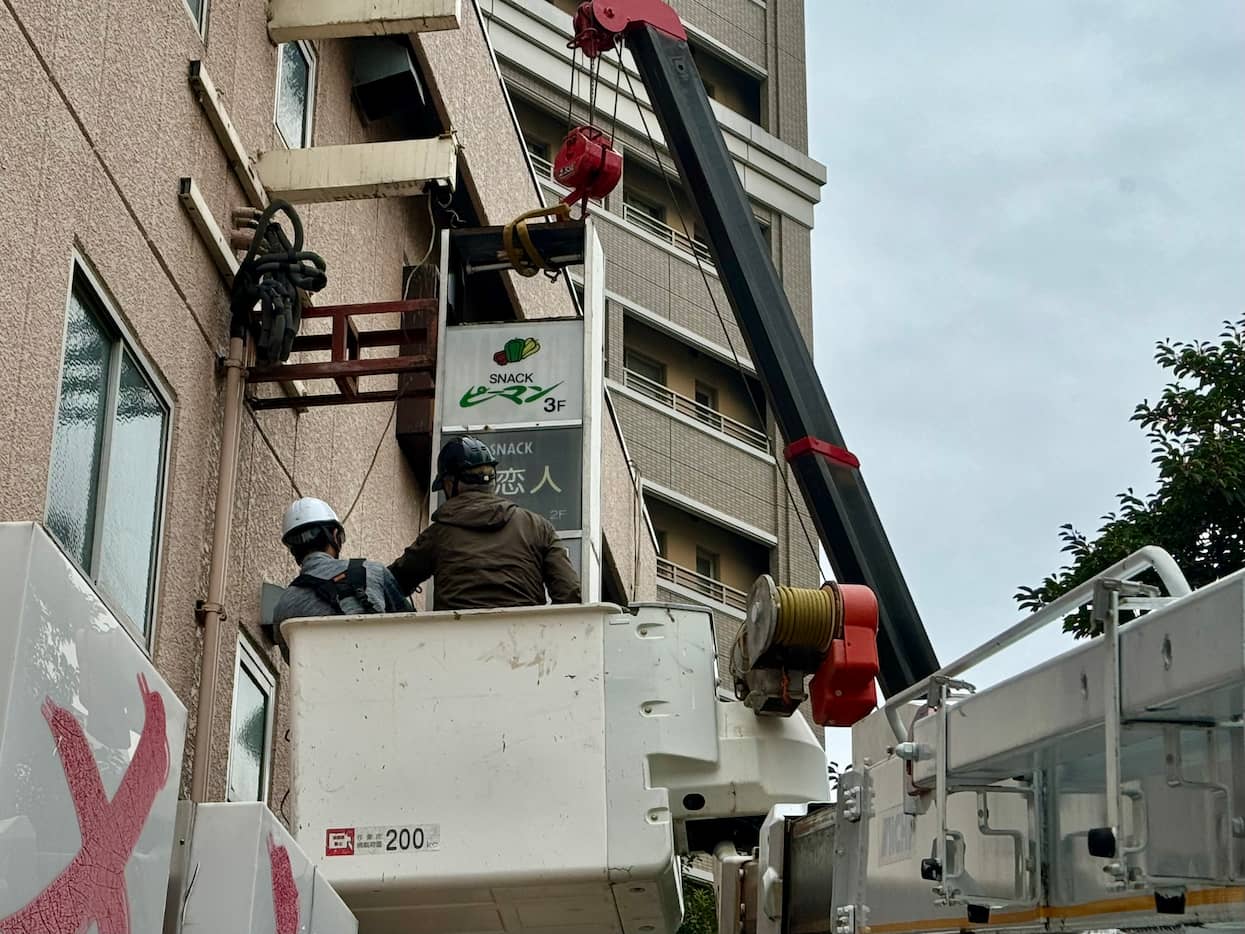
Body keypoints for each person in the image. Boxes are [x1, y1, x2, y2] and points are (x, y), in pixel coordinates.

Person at [389, 437, 581, 610]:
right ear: (492, 481)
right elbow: (569, 592)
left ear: (449, 483)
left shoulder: (438, 534)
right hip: (526, 639)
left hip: (455, 640)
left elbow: (393, 582)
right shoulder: (538, 526)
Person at [273, 497, 412, 626]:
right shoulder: (370, 570)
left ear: (293, 550)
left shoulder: (282, 606)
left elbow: (290, 651)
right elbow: (410, 624)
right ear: (335, 537)